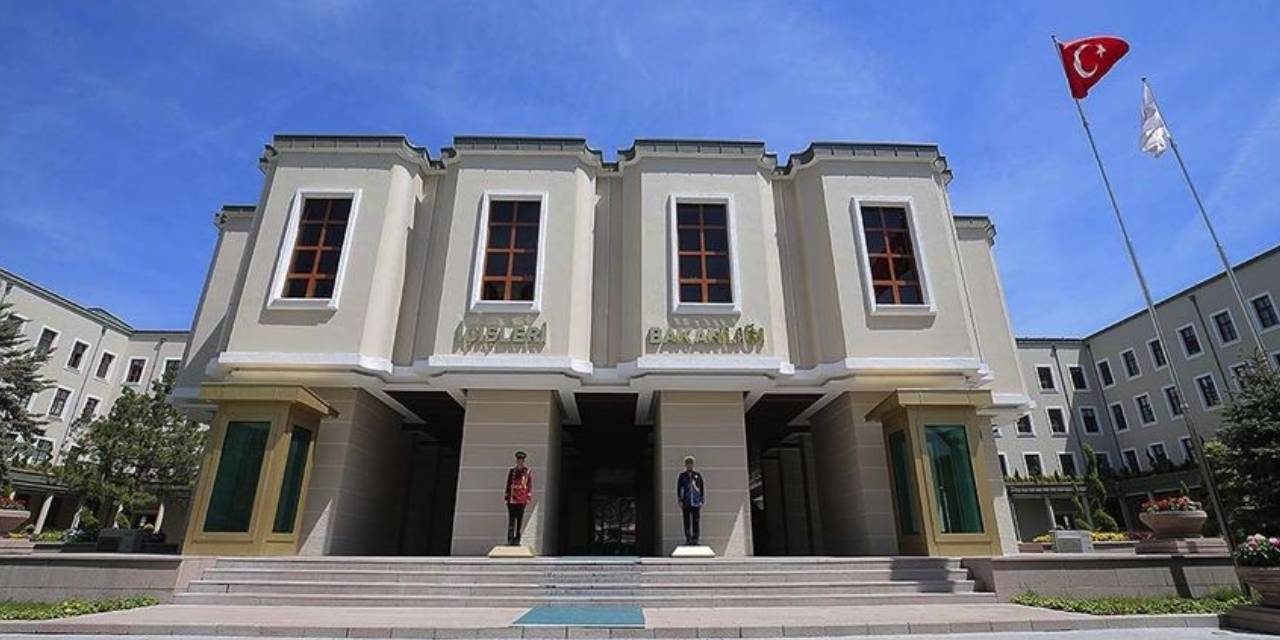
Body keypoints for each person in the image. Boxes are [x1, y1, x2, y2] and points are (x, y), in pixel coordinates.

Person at [504, 451, 533, 545]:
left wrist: (528, 497)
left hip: (521, 499)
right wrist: (507, 496)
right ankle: (510, 538)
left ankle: (517, 538)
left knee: (519, 520)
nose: (520, 462)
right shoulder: (512, 471)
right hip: (512, 498)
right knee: (511, 520)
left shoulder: (527, 472)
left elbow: (529, 485)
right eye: (518, 460)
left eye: (521, 460)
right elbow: (509, 484)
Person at [676, 455, 705, 545]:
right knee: (687, 521)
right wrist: (680, 500)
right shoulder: (682, 476)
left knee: (696, 521)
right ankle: (688, 538)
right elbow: (679, 488)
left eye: (691, 463)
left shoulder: (697, 475)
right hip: (686, 502)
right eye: (687, 463)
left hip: (696, 502)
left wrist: (701, 499)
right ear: (685, 465)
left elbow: (701, 488)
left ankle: (695, 538)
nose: (689, 465)